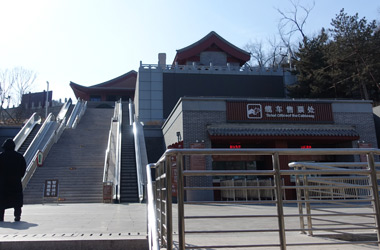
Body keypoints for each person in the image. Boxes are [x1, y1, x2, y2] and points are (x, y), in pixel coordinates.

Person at [0, 139, 26, 222]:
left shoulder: (1, 157)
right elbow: (23, 169)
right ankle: (17, 216)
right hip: (15, 183)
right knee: (17, 201)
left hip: (3, 184)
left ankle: (1, 217)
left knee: (2, 202)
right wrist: (19, 176)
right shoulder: (19, 156)